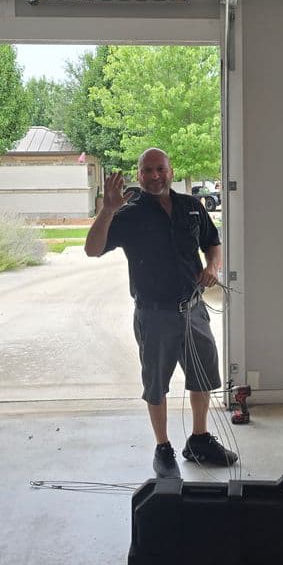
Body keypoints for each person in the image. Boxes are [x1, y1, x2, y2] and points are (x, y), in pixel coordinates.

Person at [85, 147, 238, 478]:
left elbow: (213, 242)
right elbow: (92, 249)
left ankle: (198, 439)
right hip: (154, 314)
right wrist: (107, 211)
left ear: (170, 171)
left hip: (194, 310)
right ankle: (163, 447)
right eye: (147, 171)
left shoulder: (192, 207)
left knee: (203, 376)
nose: (155, 176)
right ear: (139, 175)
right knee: (156, 383)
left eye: (160, 169)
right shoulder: (128, 214)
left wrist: (213, 265)